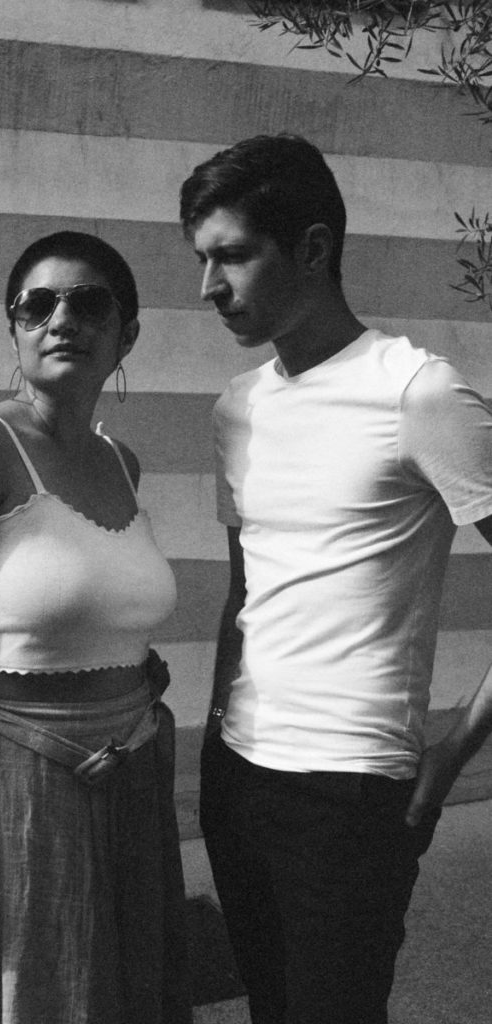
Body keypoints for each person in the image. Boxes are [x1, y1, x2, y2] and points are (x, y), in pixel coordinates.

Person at [179, 134, 492, 1024]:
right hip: (237, 773)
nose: (208, 287)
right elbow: (245, 593)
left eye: (233, 255)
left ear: (313, 249)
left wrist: (448, 756)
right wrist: (215, 746)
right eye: (202, 259)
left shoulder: (417, 394)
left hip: (349, 789)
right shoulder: (238, 406)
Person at [0, 231, 192, 1024]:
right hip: (17, 781)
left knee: (127, 994)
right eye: (37, 305)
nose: (61, 320)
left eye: (89, 303)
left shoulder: (121, 462)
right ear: (13, 329)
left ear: (126, 334)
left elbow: (103, 616)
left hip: (132, 774)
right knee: (36, 994)